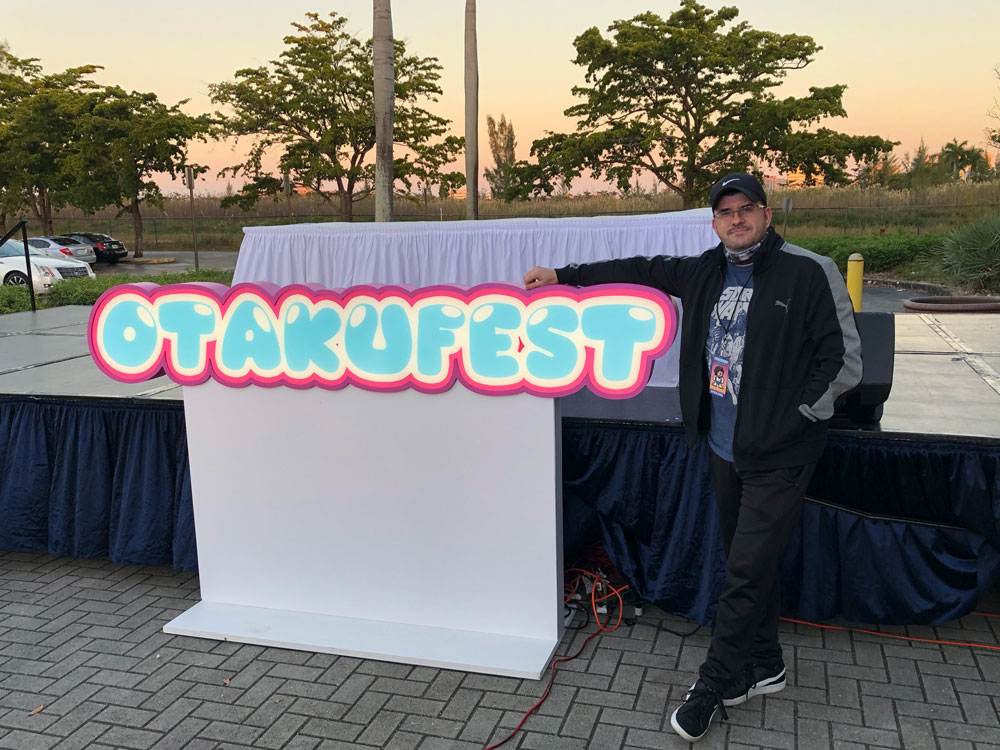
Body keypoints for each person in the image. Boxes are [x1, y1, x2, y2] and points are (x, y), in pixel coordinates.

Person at [523, 173, 862, 743]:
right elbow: (638, 268)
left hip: (781, 453)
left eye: (746, 208)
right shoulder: (703, 270)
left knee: (744, 571)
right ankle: (766, 665)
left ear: (766, 214)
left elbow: (844, 359)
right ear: (714, 223)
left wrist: (798, 416)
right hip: (723, 447)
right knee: (748, 564)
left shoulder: (809, 270)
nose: (737, 219)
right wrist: (564, 276)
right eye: (725, 212)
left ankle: (715, 682)